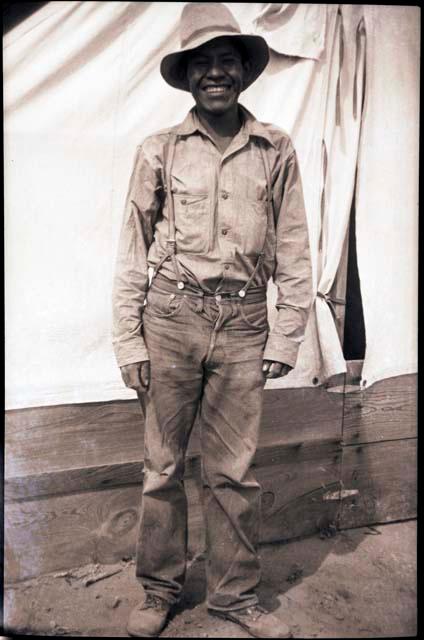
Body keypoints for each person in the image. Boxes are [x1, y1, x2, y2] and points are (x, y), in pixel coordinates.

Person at [112, 3, 313, 637]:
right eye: (204, 64)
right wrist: (127, 340)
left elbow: (295, 246)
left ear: (244, 73)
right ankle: (158, 591)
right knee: (163, 466)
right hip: (169, 320)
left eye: (227, 61)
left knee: (232, 471)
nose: (216, 74)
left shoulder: (275, 148)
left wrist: (287, 330)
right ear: (189, 77)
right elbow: (131, 246)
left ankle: (234, 600)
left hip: (246, 324)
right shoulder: (159, 149)